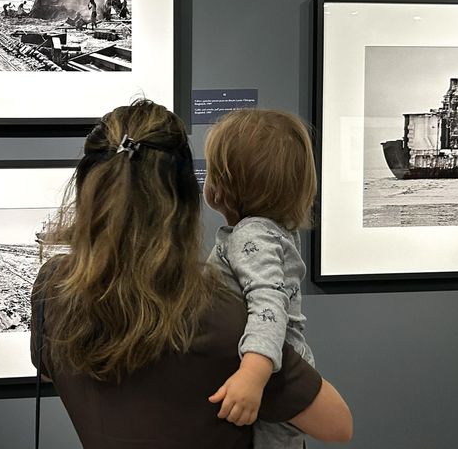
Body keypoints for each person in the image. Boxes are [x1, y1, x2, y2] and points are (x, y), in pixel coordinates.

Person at [30, 100, 352, 448]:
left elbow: (51, 369)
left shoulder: (53, 289)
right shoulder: (222, 318)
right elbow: (337, 425)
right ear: (185, 203)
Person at [203, 109, 319, 448]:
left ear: (222, 187)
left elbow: (268, 302)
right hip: (275, 363)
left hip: (271, 372)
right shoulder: (274, 232)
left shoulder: (249, 236)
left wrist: (253, 376)